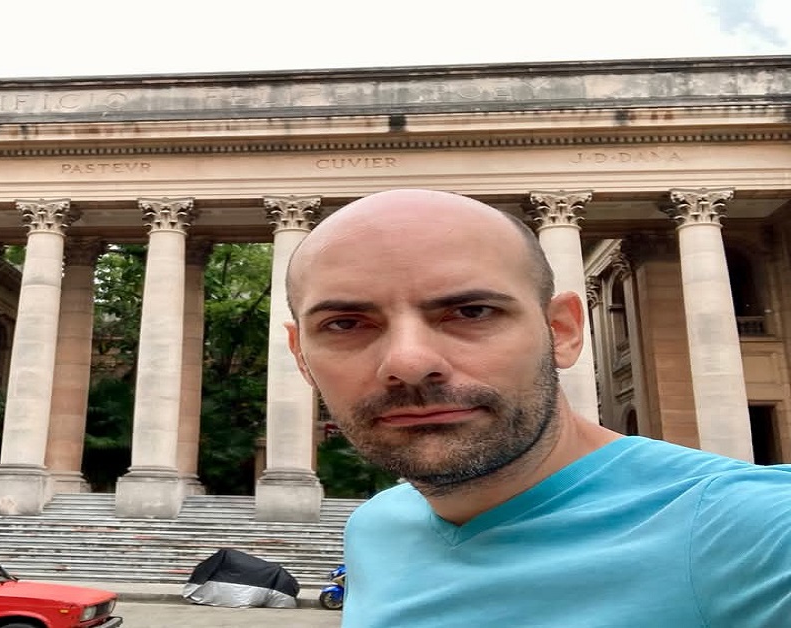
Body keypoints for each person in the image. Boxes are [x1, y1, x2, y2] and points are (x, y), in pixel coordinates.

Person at [283, 189, 791, 627]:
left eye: (471, 312)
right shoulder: (376, 526)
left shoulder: (752, 532)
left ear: (563, 331)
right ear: (301, 357)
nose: (409, 364)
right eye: (345, 324)